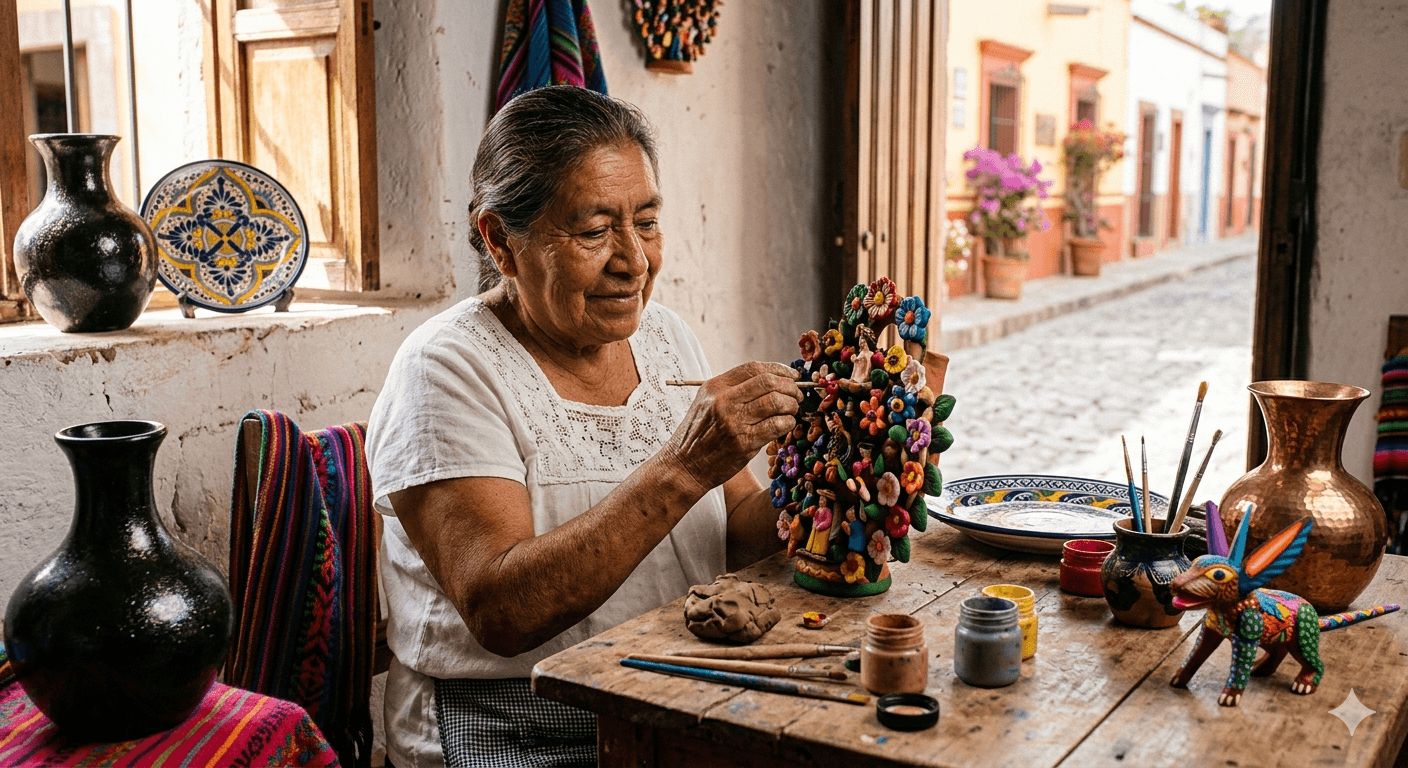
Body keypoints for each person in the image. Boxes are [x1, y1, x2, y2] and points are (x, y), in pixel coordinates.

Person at [365, 86, 801, 767]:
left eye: (647, 222)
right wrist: (684, 467)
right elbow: (500, 611)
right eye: (594, 231)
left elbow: (737, 523)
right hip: (517, 724)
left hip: (670, 692)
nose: (633, 260)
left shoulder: (665, 337)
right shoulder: (445, 369)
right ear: (500, 240)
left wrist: (827, 484)